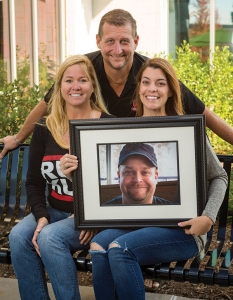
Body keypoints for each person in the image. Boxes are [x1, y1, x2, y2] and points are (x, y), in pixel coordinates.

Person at [1, 9, 233, 159]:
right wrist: (19, 138)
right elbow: (47, 103)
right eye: (110, 41)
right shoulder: (85, 70)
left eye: (124, 41)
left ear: (136, 41)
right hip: (96, 161)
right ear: (99, 41)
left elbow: (205, 114)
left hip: (139, 160)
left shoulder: (150, 75)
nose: (117, 50)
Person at [86, 57, 228, 300]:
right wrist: (73, 173)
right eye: (146, 82)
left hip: (184, 231)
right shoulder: (127, 131)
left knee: (120, 249)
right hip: (138, 227)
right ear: (138, 88)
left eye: (160, 83)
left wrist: (208, 216)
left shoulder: (187, 129)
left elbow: (219, 176)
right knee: (99, 245)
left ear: (171, 90)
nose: (152, 89)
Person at [8, 54, 114, 300]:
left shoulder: (107, 124)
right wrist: (42, 216)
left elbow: (116, 184)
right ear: (60, 86)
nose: (75, 86)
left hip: (92, 217)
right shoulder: (45, 127)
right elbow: (34, 181)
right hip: (56, 210)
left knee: (49, 237)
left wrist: (90, 217)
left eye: (82, 80)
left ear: (93, 87)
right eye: (68, 80)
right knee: (18, 235)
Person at [103, 142, 172, 205]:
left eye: (145, 172)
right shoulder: (102, 214)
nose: (137, 180)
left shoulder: (173, 214)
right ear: (119, 176)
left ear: (155, 177)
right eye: (128, 172)